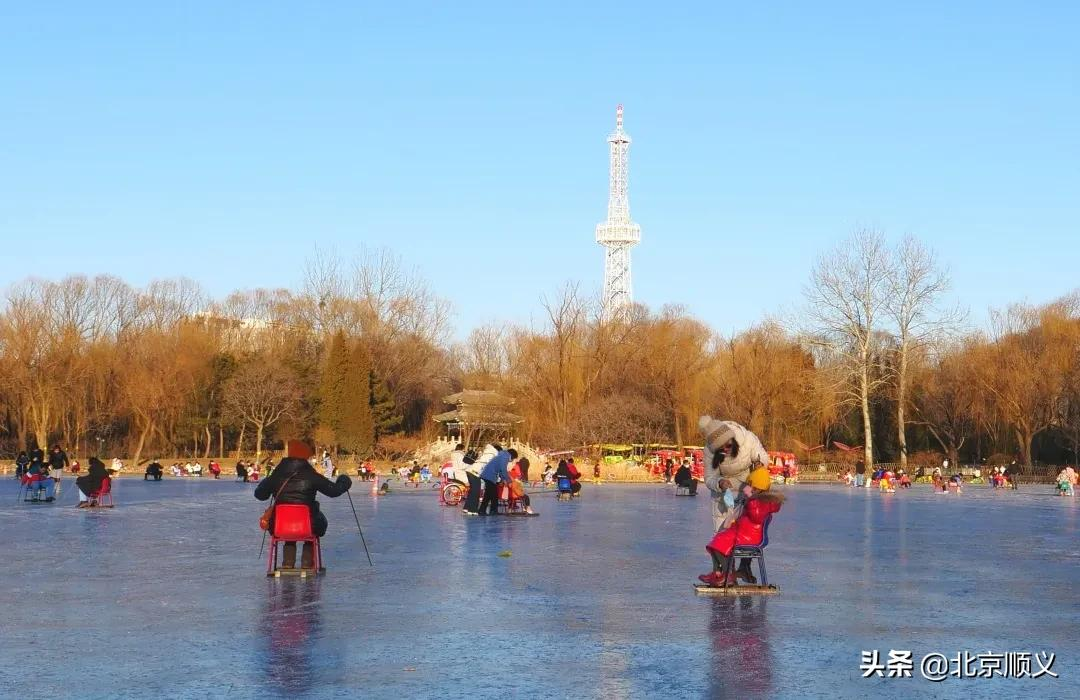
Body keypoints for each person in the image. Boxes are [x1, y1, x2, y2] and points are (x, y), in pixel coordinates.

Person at [254, 440, 352, 569]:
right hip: (308, 525)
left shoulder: (276, 475)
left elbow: (260, 495)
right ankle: (307, 563)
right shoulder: (311, 476)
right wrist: (343, 481)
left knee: (288, 526)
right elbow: (333, 491)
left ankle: (288, 563)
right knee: (313, 522)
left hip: (279, 525)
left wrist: (267, 482)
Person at [700, 467, 784, 586]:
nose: (748, 488)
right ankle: (718, 573)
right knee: (717, 541)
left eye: (750, 485)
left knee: (719, 542)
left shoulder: (760, 502)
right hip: (745, 532)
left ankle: (728, 574)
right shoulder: (756, 500)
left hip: (750, 536)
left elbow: (756, 517)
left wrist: (750, 501)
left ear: (756, 487)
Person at [700, 416, 769, 533]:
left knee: (747, 529)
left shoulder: (747, 439)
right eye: (720, 449)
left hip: (747, 486)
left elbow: (762, 455)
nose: (725, 450)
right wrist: (719, 483)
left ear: (733, 438)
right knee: (723, 533)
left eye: (728, 445)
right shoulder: (709, 451)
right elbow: (710, 477)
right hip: (723, 493)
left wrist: (760, 463)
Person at [478, 445, 517, 516]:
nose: (512, 461)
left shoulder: (502, 456)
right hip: (489, 476)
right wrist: (509, 481)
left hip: (488, 476)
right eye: (514, 459)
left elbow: (501, 471)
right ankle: (493, 511)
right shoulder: (504, 457)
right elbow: (503, 470)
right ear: (512, 456)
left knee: (488, 495)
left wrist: (503, 479)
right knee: (494, 495)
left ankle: (482, 510)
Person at [462, 446, 489, 515]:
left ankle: (467, 508)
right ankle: (473, 510)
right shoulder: (490, 456)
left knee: (472, 491)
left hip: (470, 471)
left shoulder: (484, 455)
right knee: (476, 492)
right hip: (474, 473)